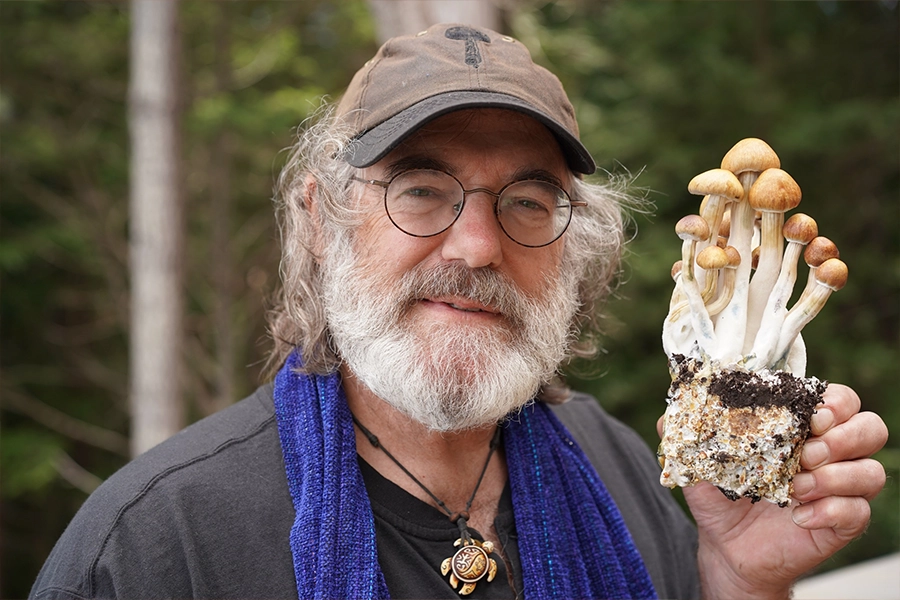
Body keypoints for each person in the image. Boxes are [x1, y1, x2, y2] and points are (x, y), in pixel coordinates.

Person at [31, 23, 887, 600]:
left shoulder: (626, 473)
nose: (476, 248)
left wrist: (737, 579)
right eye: (421, 189)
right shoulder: (154, 550)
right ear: (321, 221)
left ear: (575, 244)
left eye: (526, 199)